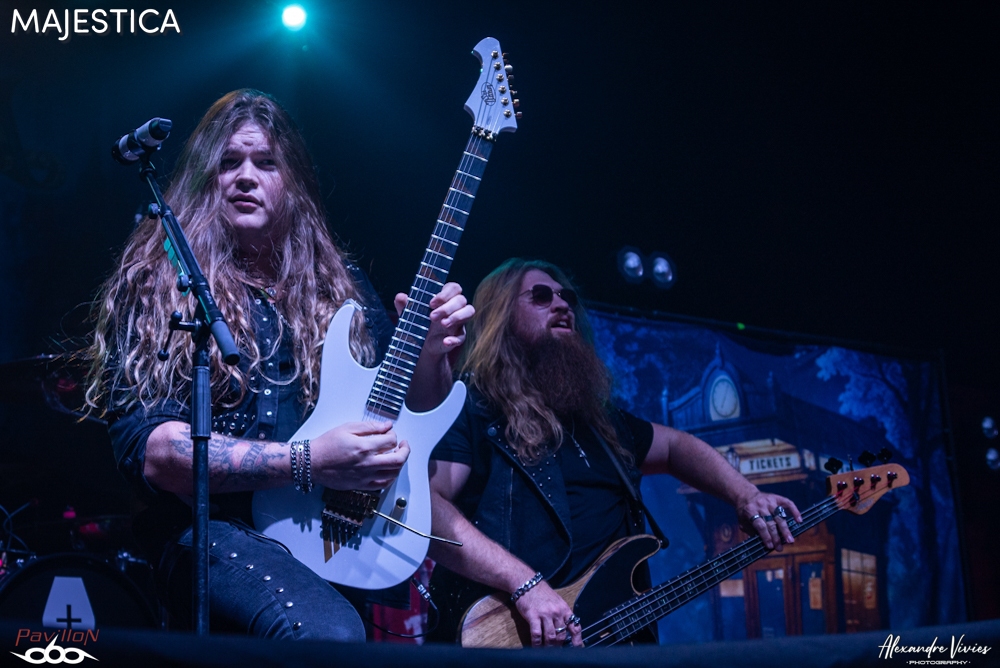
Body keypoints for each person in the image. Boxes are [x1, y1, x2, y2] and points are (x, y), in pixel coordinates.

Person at [85, 89, 473, 640]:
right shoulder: (159, 281)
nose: (246, 177)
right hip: (207, 529)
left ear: (292, 183)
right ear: (204, 178)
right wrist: (309, 460)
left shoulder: (342, 287)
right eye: (229, 162)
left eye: (266, 163)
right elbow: (156, 454)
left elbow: (398, 420)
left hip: (319, 529)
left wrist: (432, 353)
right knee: (329, 634)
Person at [426, 258, 802, 647]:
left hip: (612, 646)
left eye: (566, 296)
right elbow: (429, 511)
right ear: (500, 316)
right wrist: (524, 584)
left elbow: (675, 446)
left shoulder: (602, 424)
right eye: (540, 296)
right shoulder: (473, 407)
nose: (562, 304)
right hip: (507, 638)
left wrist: (746, 495)